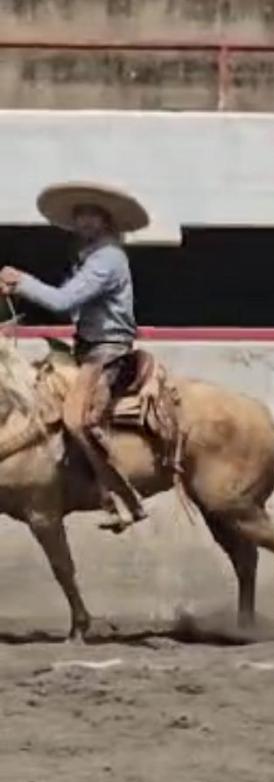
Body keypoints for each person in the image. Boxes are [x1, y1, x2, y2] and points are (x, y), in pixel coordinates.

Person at [0, 182, 150, 532]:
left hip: (107, 350)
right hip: (85, 347)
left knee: (76, 418)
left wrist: (21, 281)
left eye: (91, 215)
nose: (83, 221)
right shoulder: (90, 257)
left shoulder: (108, 259)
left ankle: (124, 498)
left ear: (105, 221)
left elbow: (62, 302)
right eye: (79, 215)